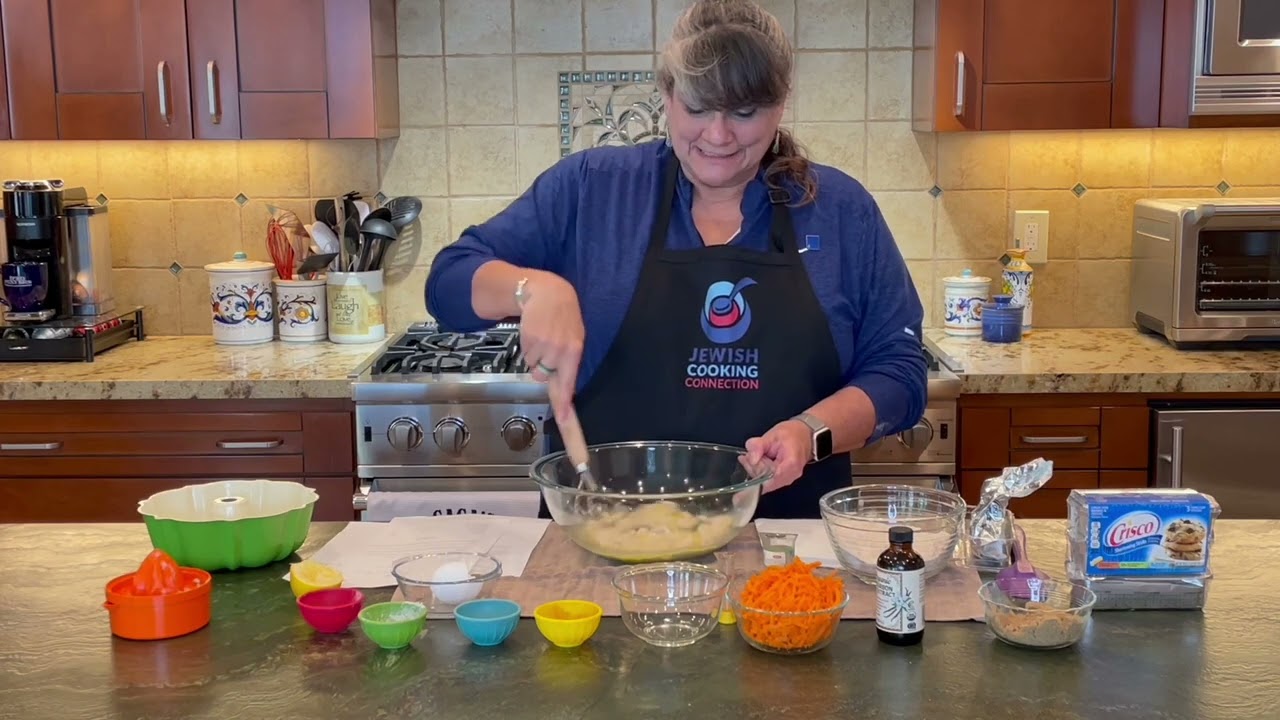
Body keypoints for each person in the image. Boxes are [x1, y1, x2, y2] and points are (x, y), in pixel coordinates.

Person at [425, 0, 927, 519]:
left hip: (786, 556)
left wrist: (811, 431)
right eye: (698, 108)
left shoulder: (838, 209)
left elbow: (898, 370)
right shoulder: (593, 190)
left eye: (744, 112)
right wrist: (530, 288)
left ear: (780, 104)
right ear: (668, 94)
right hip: (605, 538)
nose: (717, 135)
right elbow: (447, 283)